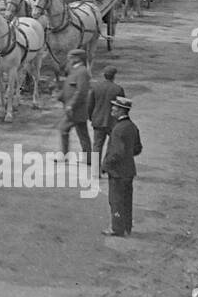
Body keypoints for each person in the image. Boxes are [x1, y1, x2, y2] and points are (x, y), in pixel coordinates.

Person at [101, 96, 141, 237]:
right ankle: (127, 227)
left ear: (121, 110)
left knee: (115, 201)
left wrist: (105, 165)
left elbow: (116, 152)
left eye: (115, 107)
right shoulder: (132, 127)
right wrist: (127, 157)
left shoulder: (118, 129)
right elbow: (137, 149)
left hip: (117, 172)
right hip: (129, 170)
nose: (112, 109)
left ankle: (116, 228)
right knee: (126, 200)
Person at [57, 49, 92, 163]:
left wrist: (71, 105)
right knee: (82, 134)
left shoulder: (82, 72)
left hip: (76, 109)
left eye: (71, 57)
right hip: (74, 109)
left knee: (64, 129)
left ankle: (65, 156)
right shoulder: (74, 69)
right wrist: (61, 96)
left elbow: (81, 91)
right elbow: (69, 85)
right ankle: (88, 158)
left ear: (77, 58)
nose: (69, 59)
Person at [88, 66, 124, 159]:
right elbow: (122, 107)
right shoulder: (118, 89)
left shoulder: (96, 87)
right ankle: (108, 168)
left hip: (98, 121)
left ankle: (95, 171)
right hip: (112, 122)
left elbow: (90, 104)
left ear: (104, 75)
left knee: (97, 146)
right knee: (112, 146)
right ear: (113, 76)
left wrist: (91, 117)